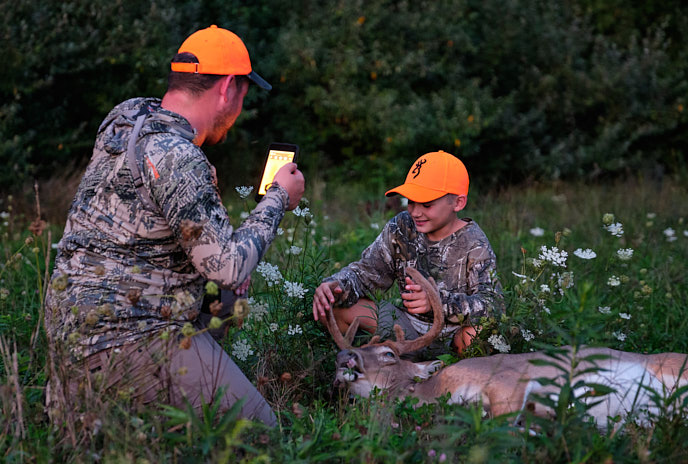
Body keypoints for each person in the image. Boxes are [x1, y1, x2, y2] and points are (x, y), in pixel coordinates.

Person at [44, 25, 304, 427]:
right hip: (126, 335)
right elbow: (230, 267)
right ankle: (141, 406)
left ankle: (144, 404)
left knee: (227, 301)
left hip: (71, 325)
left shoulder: (127, 119)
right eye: (243, 96)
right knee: (259, 433)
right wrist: (278, 198)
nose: (238, 110)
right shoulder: (177, 155)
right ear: (228, 87)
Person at [312, 151, 501, 355]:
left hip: (453, 337)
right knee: (333, 309)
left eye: (427, 204)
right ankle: (367, 367)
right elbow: (366, 273)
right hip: (406, 328)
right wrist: (336, 286)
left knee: (477, 335)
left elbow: (493, 306)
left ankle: (447, 378)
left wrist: (436, 303)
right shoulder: (402, 227)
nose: (416, 212)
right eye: (411, 202)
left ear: (458, 203)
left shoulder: (474, 243)